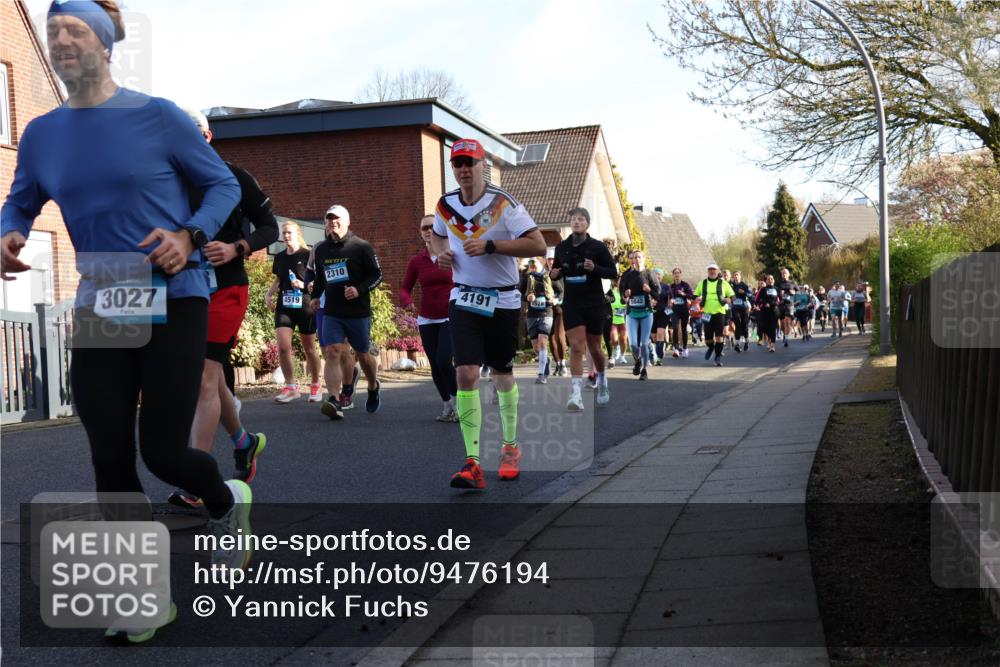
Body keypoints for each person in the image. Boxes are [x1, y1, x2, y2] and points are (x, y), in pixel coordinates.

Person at [1, 0, 251, 640]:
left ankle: (229, 499)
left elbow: (223, 186)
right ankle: (143, 597)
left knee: (164, 452)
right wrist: (9, 233)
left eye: (74, 30)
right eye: (52, 32)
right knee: (109, 453)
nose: (59, 41)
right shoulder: (41, 132)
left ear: (106, 45)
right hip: (105, 293)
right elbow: (20, 197)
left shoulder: (157, 116)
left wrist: (191, 236)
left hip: (174, 290)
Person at [171, 108, 278, 509]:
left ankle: (198, 482)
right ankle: (244, 442)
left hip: (226, 287)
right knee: (207, 379)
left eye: (194, 134)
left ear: (208, 136)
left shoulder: (234, 175)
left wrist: (238, 247)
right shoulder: (170, 181)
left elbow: (269, 226)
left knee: (204, 376)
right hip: (184, 289)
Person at [430, 139, 545, 489]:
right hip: (464, 297)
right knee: (465, 372)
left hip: (504, 300)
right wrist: (441, 255)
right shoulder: (445, 206)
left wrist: (492, 245)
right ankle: (472, 462)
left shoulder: (503, 203)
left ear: (483, 165)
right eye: (458, 164)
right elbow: (436, 238)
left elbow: (538, 244)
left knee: (501, 372)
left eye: (470, 163)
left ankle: (510, 447)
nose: (464, 170)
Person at [310, 205, 383, 420]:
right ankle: (333, 399)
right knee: (332, 351)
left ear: (347, 221)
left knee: (362, 354)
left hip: (357, 312)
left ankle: (372, 384)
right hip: (332, 311)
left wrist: (358, 289)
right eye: (328, 219)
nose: (332, 222)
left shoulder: (361, 246)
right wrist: (315, 296)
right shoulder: (321, 249)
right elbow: (321, 277)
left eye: (337, 219)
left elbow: (377, 275)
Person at [550, 208, 617, 411]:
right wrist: (554, 274)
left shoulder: (597, 247)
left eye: (580, 219)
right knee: (577, 347)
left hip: (594, 303)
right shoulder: (561, 247)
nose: (576, 222)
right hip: (572, 303)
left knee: (595, 348)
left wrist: (594, 269)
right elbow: (556, 271)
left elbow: (613, 271)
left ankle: (602, 379)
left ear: (587, 224)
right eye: (573, 219)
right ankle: (576, 394)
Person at [400, 214, 457, 421]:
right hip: (427, 318)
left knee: (444, 360)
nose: (428, 230)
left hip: (451, 316)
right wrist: (407, 301)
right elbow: (405, 287)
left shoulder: (452, 254)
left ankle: (458, 402)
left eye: (432, 226)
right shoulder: (417, 261)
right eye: (424, 228)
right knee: (434, 364)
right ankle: (447, 405)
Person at [266, 221, 322, 402]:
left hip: (305, 306)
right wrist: (269, 295)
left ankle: (315, 385)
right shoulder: (280, 257)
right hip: (285, 305)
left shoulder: (308, 255)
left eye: (289, 232)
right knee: (283, 347)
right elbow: (278, 279)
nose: (285, 236)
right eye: (284, 233)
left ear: (298, 234)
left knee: (309, 349)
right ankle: (291, 387)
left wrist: (304, 284)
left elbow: (318, 281)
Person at [619, 249, 660, 380]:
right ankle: (637, 361)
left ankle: (644, 369)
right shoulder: (626, 275)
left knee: (643, 343)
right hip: (632, 313)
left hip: (646, 313)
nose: (635, 260)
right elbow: (621, 296)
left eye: (638, 257)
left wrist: (650, 291)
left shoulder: (649, 274)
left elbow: (658, 293)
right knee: (633, 345)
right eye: (633, 258)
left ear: (643, 258)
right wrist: (625, 295)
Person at [520, 257, 555, 384]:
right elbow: (520, 293)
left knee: (542, 343)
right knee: (536, 348)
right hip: (532, 314)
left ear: (540, 263)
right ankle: (546, 360)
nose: (533, 267)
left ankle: (541, 375)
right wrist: (527, 297)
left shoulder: (549, 276)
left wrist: (554, 299)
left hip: (547, 312)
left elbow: (561, 291)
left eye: (534, 264)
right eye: (531, 265)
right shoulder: (526, 277)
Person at [693, 263, 735, 366]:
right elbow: (695, 295)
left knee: (719, 337)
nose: (712, 272)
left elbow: (733, 296)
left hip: (720, 313)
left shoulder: (723, 283)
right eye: (710, 270)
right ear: (708, 272)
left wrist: (728, 299)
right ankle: (711, 347)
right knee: (708, 339)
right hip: (707, 314)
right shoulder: (703, 283)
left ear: (717, 271)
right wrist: (697, 299)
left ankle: (718, 357)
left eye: (714, 270)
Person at [546, 250, 567, 376]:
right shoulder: (544, 274)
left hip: (560, 308)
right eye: (549, 259)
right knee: (551, 338)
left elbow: (564, 291)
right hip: (548, 309)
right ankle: (558, 363)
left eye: (553, 259)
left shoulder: (561, 274)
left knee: (559, 336)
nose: (551, 261)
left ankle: (563, 363)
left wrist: (557, 300)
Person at [667, 267, 694, 357]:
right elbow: (667, 297)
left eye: (678, 273)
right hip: (674, 310)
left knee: (683, 329)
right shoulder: (671, 286)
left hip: (684, 309)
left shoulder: (685, 285)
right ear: (673, 275)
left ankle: (685, 348)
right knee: (675, 328)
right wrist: (670, 301)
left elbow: (691, 295)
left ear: (680, 274)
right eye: (675, 273)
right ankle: (676, 348)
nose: (676, 274)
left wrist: (684, 294)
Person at [754, 274, 780, 352]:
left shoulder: (777, 289)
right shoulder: (763, 289)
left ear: (774, 280)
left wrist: (776, 304)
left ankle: (772, 345)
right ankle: (769, 340)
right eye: (768, 279)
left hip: (774, 310)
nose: (770, 280)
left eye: (771, 279)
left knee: (773, 327)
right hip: (764, 311)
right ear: (766, 281)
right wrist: (763, 304)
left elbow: (780, 299)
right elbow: (757, 300)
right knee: (764, 327)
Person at [651, 268, 671, 364]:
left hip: (663, 313)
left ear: (662, 276)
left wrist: (670, 309)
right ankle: (656, 352)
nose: (657, 276)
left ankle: (658, 358)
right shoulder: (648, 286)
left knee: (660, 334)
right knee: (653, 336)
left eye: (659, 274)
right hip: (651, 313)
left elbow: (670, 300)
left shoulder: (666, 287)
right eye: (655, 274)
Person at [729, 270, 752, 353]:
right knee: (737, 324)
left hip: (744, 308)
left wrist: (744, 292)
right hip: (735, 308)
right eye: (734, 275)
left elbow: (750, 294)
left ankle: (746, 341)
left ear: (740, 276)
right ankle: (737, 344)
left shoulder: (744, 285)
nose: (735, 276)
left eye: (737, 275)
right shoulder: (731, 286)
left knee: (744, 325)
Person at [608, 279, 628, 366]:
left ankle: (622, 355)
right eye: (620, 281)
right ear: (616, 282)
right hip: (614, 320)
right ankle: (617, 348)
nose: (621, 283)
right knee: (614, 338)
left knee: (623, 338)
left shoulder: (627, 292)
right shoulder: (612, 291)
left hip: (624, 320)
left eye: (622, 281)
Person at [777, 267, 797, 347]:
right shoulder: (779, 284)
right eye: (782, 273)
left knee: (787, 321)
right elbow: (775, 293)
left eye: (785, 273)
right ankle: (784, 333)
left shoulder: (792, 283)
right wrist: (779, 293)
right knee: (782, 324)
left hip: (790, 305)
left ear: (788, 274)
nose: (784, 274)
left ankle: (786, 338)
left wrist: (794, 292)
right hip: (781, 305)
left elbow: (799, 291)